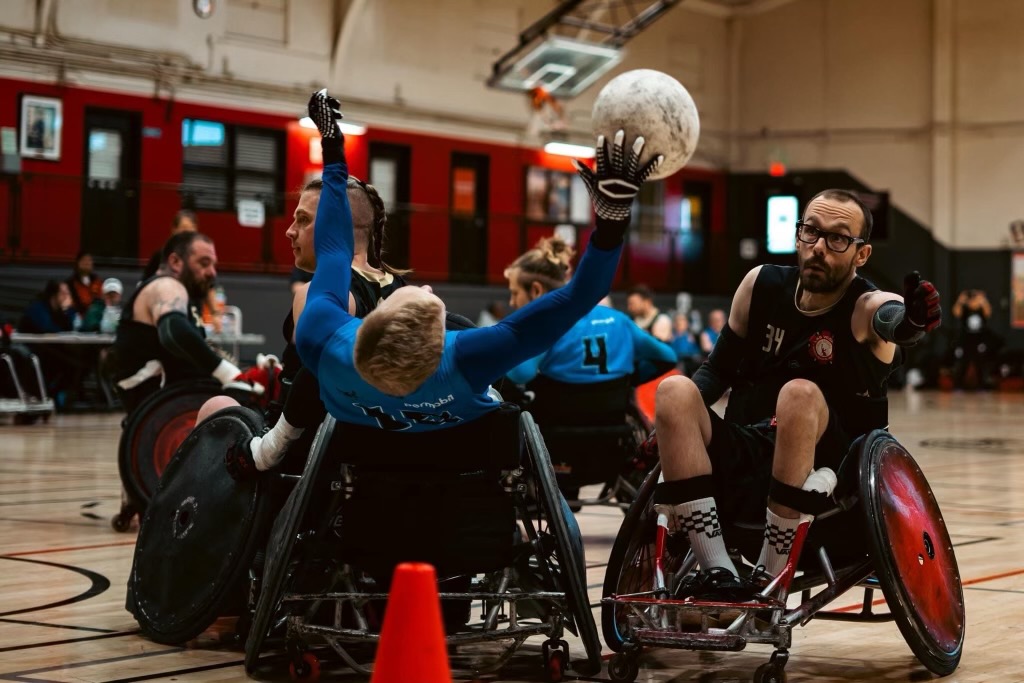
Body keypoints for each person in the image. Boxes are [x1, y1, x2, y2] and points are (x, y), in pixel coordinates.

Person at [223, 90, 660, 478]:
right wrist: (612, 221)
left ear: (370, 328)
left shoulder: (325, 338)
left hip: (365, 465)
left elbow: (334, 246)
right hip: (456, 475)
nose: (426, 290)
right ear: (437, 340)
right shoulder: (464, 356)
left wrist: (333, 148)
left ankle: (266, 451)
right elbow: (580, 297)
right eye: (425, 298)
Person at [651, 189, 942, 600]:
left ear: (861, 254)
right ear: (798, 234)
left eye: (838, 238)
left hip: (832, 478)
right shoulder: (760, 284)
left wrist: (910, 321)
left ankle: (768, 579)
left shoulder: (863, 306)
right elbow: (716, 370)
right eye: (811, 231)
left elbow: (888, 316)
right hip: (750, 453)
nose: (819, 247)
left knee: (799, 394)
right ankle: (718, 571)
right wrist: (668, 431)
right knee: (673, 391)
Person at [110, 231, 254, 414]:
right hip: (163, 410)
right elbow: (173, 331)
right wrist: (228, 373)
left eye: (213, 265)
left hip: (175, 402)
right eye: (204, 263)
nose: (212, 272)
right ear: (175, 262)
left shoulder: (184, 296)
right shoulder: (166, 285)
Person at [503, 235, 676, 388]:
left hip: (559, 414)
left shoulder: (543, 327)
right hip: (616, 413)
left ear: (536, 290)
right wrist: (633, 379)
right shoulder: (620, 319)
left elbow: (520, 375)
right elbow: (668, 357)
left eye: (515, 293)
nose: (512, 301)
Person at [951, 289, 995, 390]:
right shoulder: (965, 310)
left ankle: (981, 385)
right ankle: (958, 385)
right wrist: (960, 300)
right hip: (966, 339)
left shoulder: (981, 310)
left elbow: (988, 312)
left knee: (980, 363)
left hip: (979, 340)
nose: (973, 301)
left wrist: (983, 300)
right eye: (972, 299)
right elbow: (956, 312)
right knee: (963, 362)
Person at [66, 251, 104, 317]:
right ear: (78, 263)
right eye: (84, 260)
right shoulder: (70, 284)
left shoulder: (98, 282)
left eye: (89, 260)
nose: (87, 263)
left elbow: (104, 300)